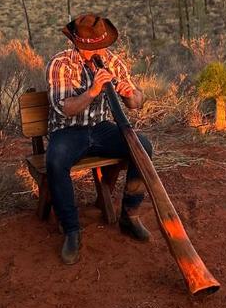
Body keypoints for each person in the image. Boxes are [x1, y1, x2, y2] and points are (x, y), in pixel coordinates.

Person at [45, 14, 154, 265]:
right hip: (68, 130)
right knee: (55, 160)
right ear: (79, 44)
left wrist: (130, 95)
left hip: (101, 128)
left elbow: (137, 102)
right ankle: (72, 229)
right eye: (94, 47)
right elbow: (66, 108)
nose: (101, 51)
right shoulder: (59, 63)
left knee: (143, 147)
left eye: (102, 45)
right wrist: (93, 91)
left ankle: (129, 214)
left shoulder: (111, 61)